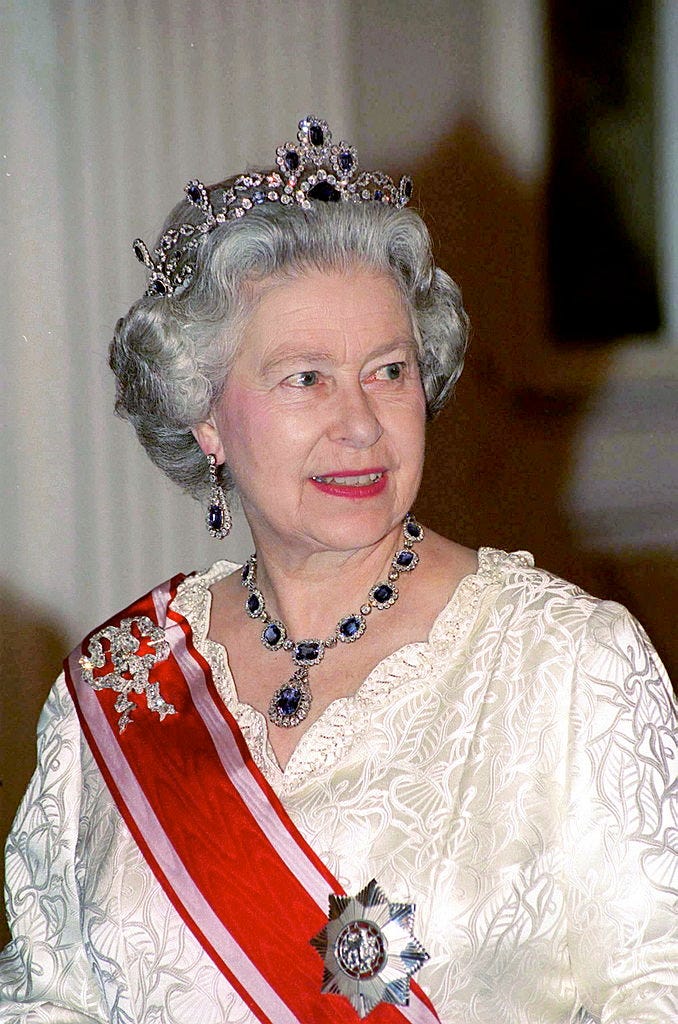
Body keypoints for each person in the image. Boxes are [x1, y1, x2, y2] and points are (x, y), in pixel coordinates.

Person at [0, 115, 676, 1024]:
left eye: (389, 370)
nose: (361, 424)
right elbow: (45, 999)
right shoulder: (120, 686)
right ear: (205, 413)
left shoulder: (567, 663)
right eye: (306, 378)